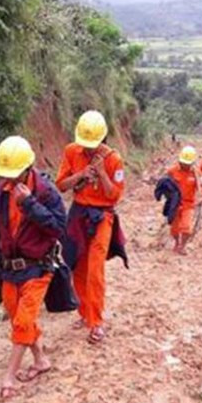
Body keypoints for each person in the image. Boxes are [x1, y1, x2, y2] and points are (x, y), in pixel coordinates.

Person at [0, 136, 67, 400]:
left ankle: (9, 376)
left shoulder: (46, 192)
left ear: (28, 169)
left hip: (38, 267)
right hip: (9, 268)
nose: (9, 181)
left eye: (14, 175)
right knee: (16, 315)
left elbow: (58, 227)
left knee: (24, 319)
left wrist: (30, 205)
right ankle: (40, 359)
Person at [56, 110, 128, 345]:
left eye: (93, 146)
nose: (88, 150)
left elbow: (114, 196)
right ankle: (85, 313)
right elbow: (61, 185)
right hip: (78, 213)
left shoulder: (114, 159)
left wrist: (101, 173)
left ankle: (96, 322)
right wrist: (81, 175)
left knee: (96, 270)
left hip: (102, 217)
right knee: (76, 265)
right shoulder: (71, 151)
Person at [165, 145, 200, 254]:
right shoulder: (172, 171)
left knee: (186, 228)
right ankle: (176, 242)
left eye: (187, 163)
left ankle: (182, 246)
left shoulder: (196, 173)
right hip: (175, 205)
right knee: (174, 229)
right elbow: (164, 183)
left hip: (188, 204)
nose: (185, 165)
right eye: (183, 162)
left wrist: (201, 197)